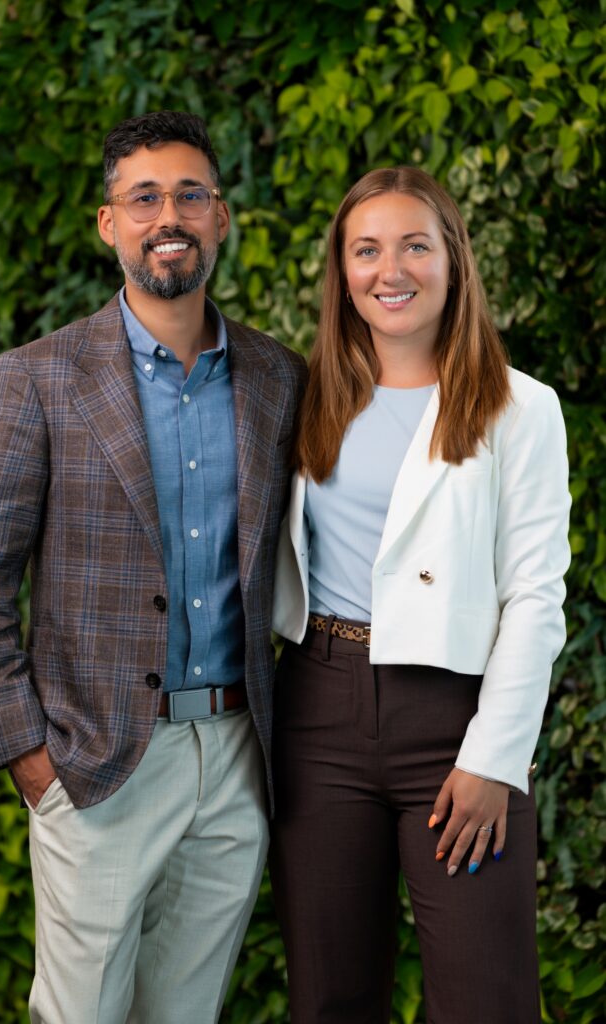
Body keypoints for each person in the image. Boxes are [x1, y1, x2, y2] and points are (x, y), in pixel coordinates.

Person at [0, 111, 306, 1024]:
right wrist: (30, 761)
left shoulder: (279, 378)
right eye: (143, 198)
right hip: (95, 762)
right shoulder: (37, 378)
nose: (167, 217)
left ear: (221, 217)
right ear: (109, 223)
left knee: (186, 1012)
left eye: (189, 194)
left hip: (235, 755)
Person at [269, 166, 570, 1024]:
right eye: (365, 250)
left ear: (452, 260)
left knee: (486, 1000)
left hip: (455, 718)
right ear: (342, 272)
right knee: (329, 998)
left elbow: (534, 597)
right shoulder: (303, 396)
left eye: (413, 245)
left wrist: (493, 758)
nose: (389, 270)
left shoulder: (520, 408)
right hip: (318, 710)